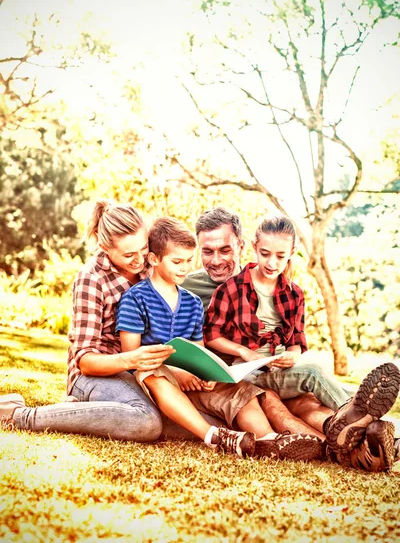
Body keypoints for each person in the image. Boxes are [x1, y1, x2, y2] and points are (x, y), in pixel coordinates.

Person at [184, 208, 400, 471]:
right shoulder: (192, 286)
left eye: (225, 250)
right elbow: (206, 334)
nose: (216, 260)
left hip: (275, 372)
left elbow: (296, 340)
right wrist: (243, 353)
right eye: (208, 251)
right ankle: (366, 429)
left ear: (241, 246)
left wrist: (291, 355)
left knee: (309, 401)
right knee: (295, 391)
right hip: (240, 378)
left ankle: (370, 430)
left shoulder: (290, 292)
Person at [115, 216, 323, 461]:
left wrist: (205, 375)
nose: (184, 268)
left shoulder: (192, 303)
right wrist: (176, 372)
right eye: (177, 262)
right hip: (151, 375)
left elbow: (198, 351)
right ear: (154, 259)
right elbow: (133, 356)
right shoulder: (136, 298)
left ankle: (269, 442)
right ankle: (214, 436)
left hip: (192, 380)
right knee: (155, 375)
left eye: (188, 262)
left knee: (244, 393)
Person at [0, 201, 175, 441]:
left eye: (143, 248)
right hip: (94, 376)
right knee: (146, 422)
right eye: (128, 254)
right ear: (105, 247)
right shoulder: (92, 279)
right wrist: (131, 359)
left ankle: (79, 409)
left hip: (138, 373)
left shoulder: (151, 267)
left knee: (184, 418)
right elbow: (85, 361)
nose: (139, 259)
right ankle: (20, 415)